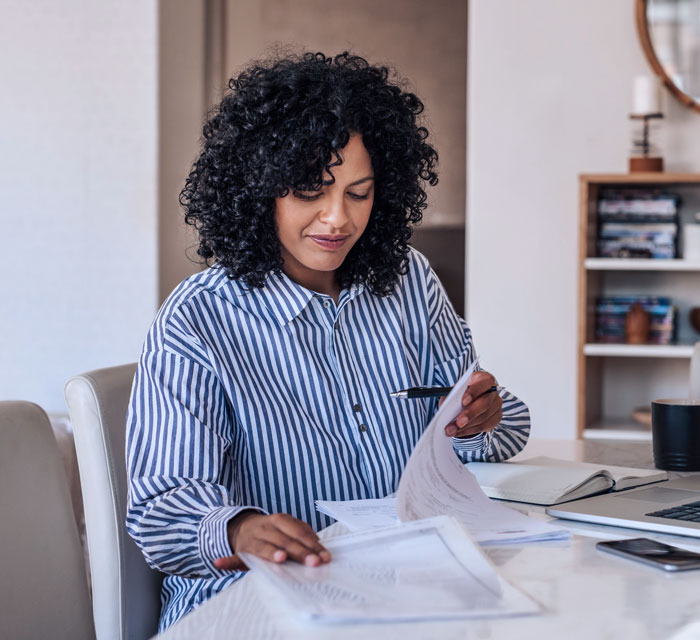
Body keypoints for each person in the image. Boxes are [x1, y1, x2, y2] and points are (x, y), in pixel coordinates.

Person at [125, 52, 530, 631]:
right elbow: (163, 506)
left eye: (358, 193)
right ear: (259, 188)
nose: (337, 218)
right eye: (310, 191)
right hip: (252, 604)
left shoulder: (410, 282)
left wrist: (481, 418)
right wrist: (239, 529)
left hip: (404, 591)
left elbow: (481, 439)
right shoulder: (199, 316)